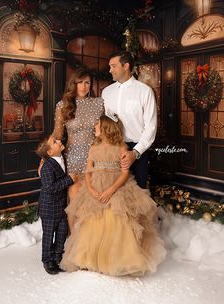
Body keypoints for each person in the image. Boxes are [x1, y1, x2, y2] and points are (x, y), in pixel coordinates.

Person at [60, 113, 166, 276]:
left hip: (116, 187)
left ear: (105, 128)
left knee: (116, 218)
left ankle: (119, 259)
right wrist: (91, 189)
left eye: (96, 126)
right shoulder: (93, 147)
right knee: (93, 220)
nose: (93, 128)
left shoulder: (122, 148)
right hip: (95, 186)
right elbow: (88, 171)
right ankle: (89, 258)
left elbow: (124, 174)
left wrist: (110, 191)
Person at [52, 68, 104, 232]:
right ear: (73, 83)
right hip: (73, 159)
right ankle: (74, 240)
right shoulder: (63, 105)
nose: (83, 86)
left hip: (95, 158)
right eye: (79, 82)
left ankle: (90, 238)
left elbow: (105, 132)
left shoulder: (98, 103)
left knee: (93, 200)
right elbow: (57, 135)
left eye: (87, 82)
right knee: (74, 202)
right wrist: (44, 158)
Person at [102, 51, 157, 189]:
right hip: (112, 148)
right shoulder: (106, 92)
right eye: (110, 66)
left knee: (138, 194)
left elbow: (151, 126)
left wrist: (135, 152)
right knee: (114, 193)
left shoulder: (145, 91)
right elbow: (104, 121)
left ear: (126, 66)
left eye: (113, 66)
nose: (110, 70)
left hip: (137, 149)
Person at [36, 134, 75, 275]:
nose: (59, 141)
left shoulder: (61, 157)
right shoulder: (47, 166)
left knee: (62, 232)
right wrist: (69, 180)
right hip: (49, 207)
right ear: (50, 152)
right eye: (54, 141)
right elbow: (50, 187)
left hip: (61, 206)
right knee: (48, 234)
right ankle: (47, 259)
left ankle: (58, 256)